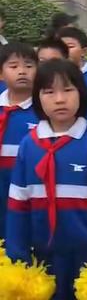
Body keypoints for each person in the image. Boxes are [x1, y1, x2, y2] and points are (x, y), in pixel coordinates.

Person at [6, 59, 87, 300]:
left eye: (68, 90)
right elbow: (18, 205)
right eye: (49, 92)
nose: (59, 99)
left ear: (81, 94)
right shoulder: (29, 145)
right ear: (37, 97)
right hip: (41, 258)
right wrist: (18, 256)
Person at [0, 43, 38, 238]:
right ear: (1, 74)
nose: (22, 71)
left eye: (29, 66)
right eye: (14, 66)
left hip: (30, 191)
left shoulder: (44, 112)